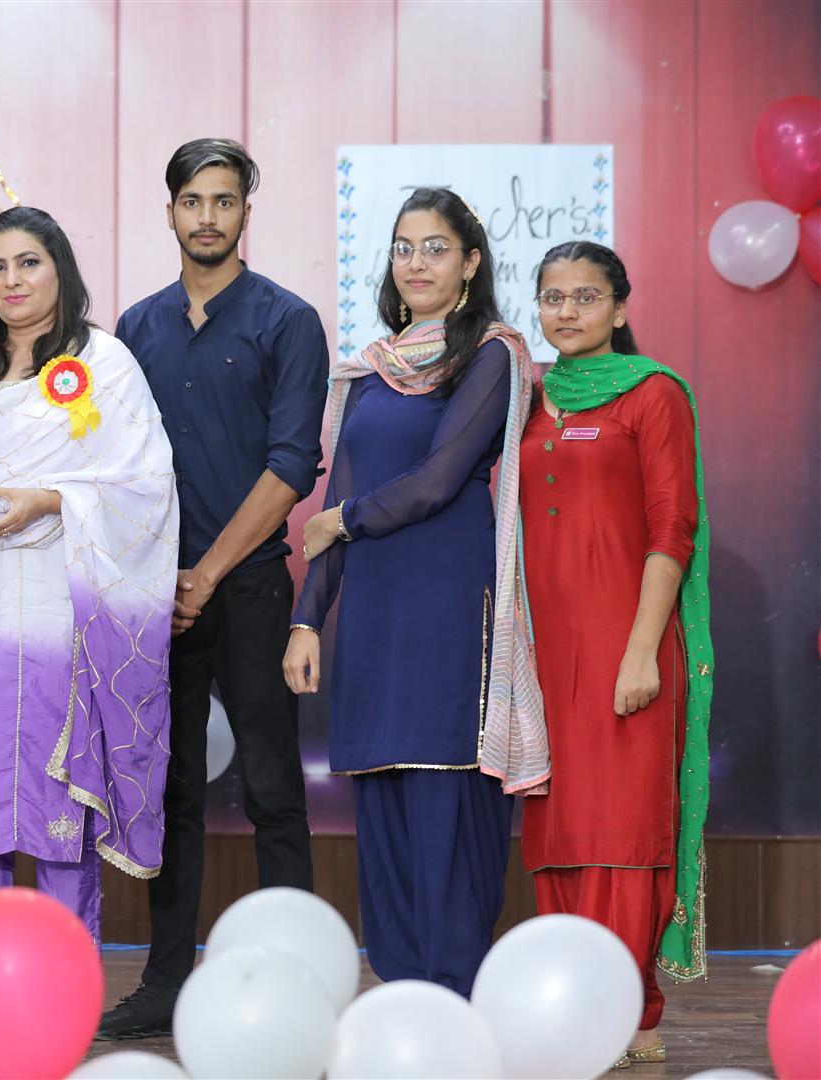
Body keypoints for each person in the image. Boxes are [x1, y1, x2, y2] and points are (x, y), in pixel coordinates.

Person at [0, 206, 178, 1020]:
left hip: (58, 606)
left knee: (57, 816)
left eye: (28, 263)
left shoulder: (105, 364)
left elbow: (145, 486)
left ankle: (58, 1001)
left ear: (60, 271)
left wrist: (49, 498)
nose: (12, 281)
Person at [281, 187, 545, 997]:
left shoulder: (492, 356)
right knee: (385, 806)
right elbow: (331, 506)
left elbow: (436, 481)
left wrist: (345, 521)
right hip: (373, 614)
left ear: (471, 263)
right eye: (404, 247)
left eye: (436, 248)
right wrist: (306, 619)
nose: (417, 263)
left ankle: (455, 996)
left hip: (447, 604)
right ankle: (402, 997)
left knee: (445, 800)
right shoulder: (368, 371)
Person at [101, 137, 329, 1038]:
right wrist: (160, 576)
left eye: (223, 201)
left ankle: (297, 976)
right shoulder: (136, 329)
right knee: (171, 791)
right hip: (155, 595)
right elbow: (117, 461)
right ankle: (165, 981)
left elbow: (291, 465)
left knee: (273, 786)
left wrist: (206, 571)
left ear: (244, 213)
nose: (207, 217)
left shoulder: (287, 321)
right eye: (192, 201)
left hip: (249, 586)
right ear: (170, 212)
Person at [519, 241, 711, 1067]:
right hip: (542, 657)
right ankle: (572, 1003)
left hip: (628, 646)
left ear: (620, 308)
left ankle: (630, 1012)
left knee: (622, 832)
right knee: (558, 830)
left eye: (586, 296)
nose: (567, 311)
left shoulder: (653, 392)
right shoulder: (525, 400)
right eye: (552, 297)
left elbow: (674, 526)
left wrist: (641, 653)